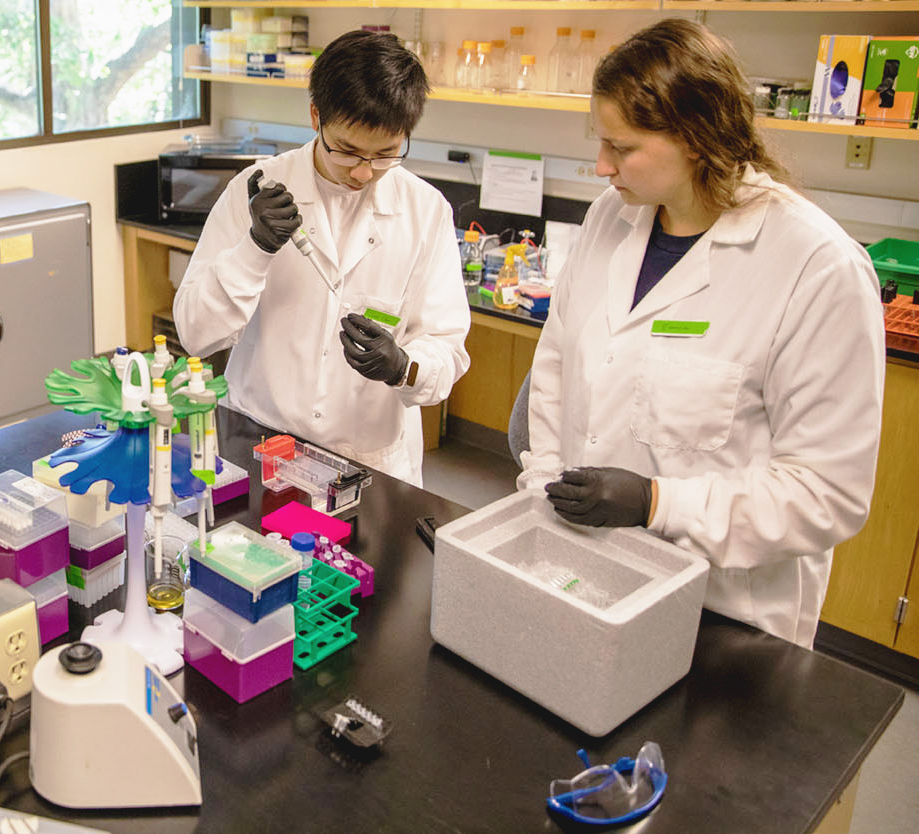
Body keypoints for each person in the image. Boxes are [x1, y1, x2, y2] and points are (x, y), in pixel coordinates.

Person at [518, 19, 885, 648]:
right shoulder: (612, 215)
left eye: (623, 148)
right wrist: (543, 492)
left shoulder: (816, 266)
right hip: (583, 571)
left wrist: (658, 503)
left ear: (696, 139)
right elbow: (555, 366)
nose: (602, 166)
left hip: (722, 613)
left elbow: (827, 492)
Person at [174, 30, 470, 486]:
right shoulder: (255, 189)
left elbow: (447, 347)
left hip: (367, 461)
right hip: (257, 441)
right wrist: (255, 247)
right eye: (347, 150)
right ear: (316, 115)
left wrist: (403, 365)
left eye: (386, 154)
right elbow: (195, 332)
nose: (362, 171)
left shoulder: (425, 212)